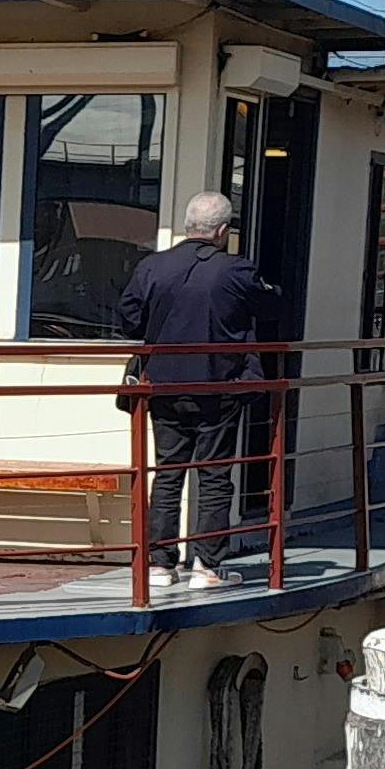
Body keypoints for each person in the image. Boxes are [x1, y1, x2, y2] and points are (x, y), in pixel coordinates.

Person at [113, 189, 270, 591]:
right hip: (218, 388)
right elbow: (272, 310)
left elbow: (129, 321)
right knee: (215, 477)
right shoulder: (236, 271)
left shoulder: (153, 267)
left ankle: (160, 566)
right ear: (221, 230)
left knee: (167, 473)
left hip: (162, 386)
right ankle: (207, 567)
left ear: (187, 227)